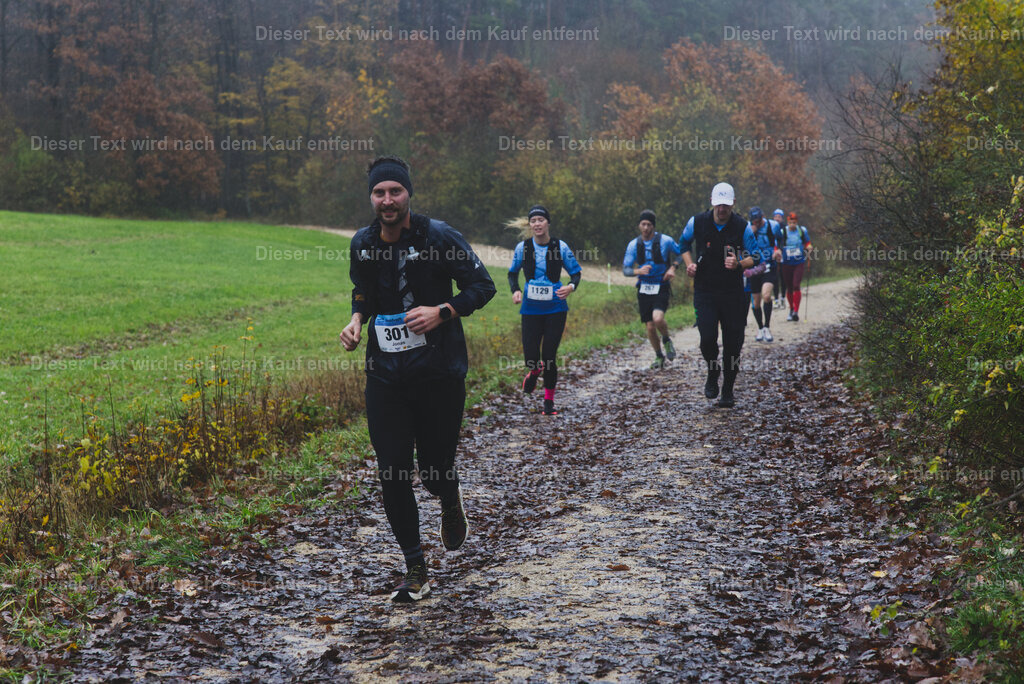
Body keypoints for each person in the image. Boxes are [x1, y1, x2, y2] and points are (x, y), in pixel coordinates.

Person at [339, 156, 497, 602]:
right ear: (370, 198)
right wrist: (355, 321)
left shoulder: (439, 236)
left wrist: (442, 311)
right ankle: (415, 570)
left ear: (408, 194)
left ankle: (448, 497)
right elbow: (362, 291)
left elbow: (483, 287)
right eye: (379, 193)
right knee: (392, 469)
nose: (387, 200)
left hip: (438, 374)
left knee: (432, 468)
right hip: (386, 377)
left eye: (394, 191)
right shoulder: (363, 243)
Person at [679, 182, 761, 408]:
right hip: (705, 290)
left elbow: (757, 256)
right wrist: (689, 264)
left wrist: (739, 264)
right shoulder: (696, 222)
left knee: (733, 343)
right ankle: (713, 371)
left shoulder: (741, 226)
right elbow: (683, 244)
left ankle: (727, 390)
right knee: (707, 339)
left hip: (733, 292)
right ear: (711, 203)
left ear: (733, 204)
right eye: (718, 205)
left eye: (726, 205)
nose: (722, 209)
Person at [508, 205, 582, 415]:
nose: (537, 224)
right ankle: (533, 370)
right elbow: (512, 274)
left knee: (549, 355)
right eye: (533, 221)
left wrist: (570, 287)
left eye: (541, 220)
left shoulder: (561, 247)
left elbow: (576, 273)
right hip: (530, 308)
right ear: (530, 225)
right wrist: (515, 291)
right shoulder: (522, 248)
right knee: (531, 356)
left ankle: (549, 402)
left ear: (548, 223)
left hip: (555, 308)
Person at [622, 209, 680, 368]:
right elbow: (625, 270)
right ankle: (659, 356)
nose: (646, 228)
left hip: (661, 286)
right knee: (649, 326)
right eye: (643, 224)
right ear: (639, 225)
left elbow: (682, 252)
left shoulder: (666, 241)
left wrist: (673, 268)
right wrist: (637, 271)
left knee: (658, 318)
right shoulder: (634, 245)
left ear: (653, 226)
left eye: (649, 224)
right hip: (643, 288)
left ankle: (667, 339)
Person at [746, 206, 782, 342]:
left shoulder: (773, 226)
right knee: (755, 302)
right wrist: (751, 233)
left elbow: (781, 239)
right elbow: (742, 246)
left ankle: (767, 327)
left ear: (763, 217)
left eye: (758, 220)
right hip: (754, 267)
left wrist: (778, 250)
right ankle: (760, 328)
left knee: (766, 295)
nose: (757, 223)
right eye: (754, 221)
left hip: (769, 265)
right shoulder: (747, 229)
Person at [779, 212, 813, 321]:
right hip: (786, 263)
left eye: (794, 222)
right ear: (787, 222)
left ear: (796, 222)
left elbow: (807, 242)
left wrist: (809, 247)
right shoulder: (782, 232)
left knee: (796, 285)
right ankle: (791, 309)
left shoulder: (801, 231)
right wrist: (777, 252)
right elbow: (777, 245)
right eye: (790, 223)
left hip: (799, 262)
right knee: (789, 287)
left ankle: (796, 312)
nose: (792, 224)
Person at [772, 208, 787, 310]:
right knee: (774, 277)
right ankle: (776, 299)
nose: (777, 218)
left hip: (782, 254)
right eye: (776, 216)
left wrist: (781, 250)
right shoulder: (770, 227)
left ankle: (782, 298)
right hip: (772, 254)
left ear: (782, 218)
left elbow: (785, 241)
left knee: (783, 277)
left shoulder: (785, 228)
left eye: (779, 217)